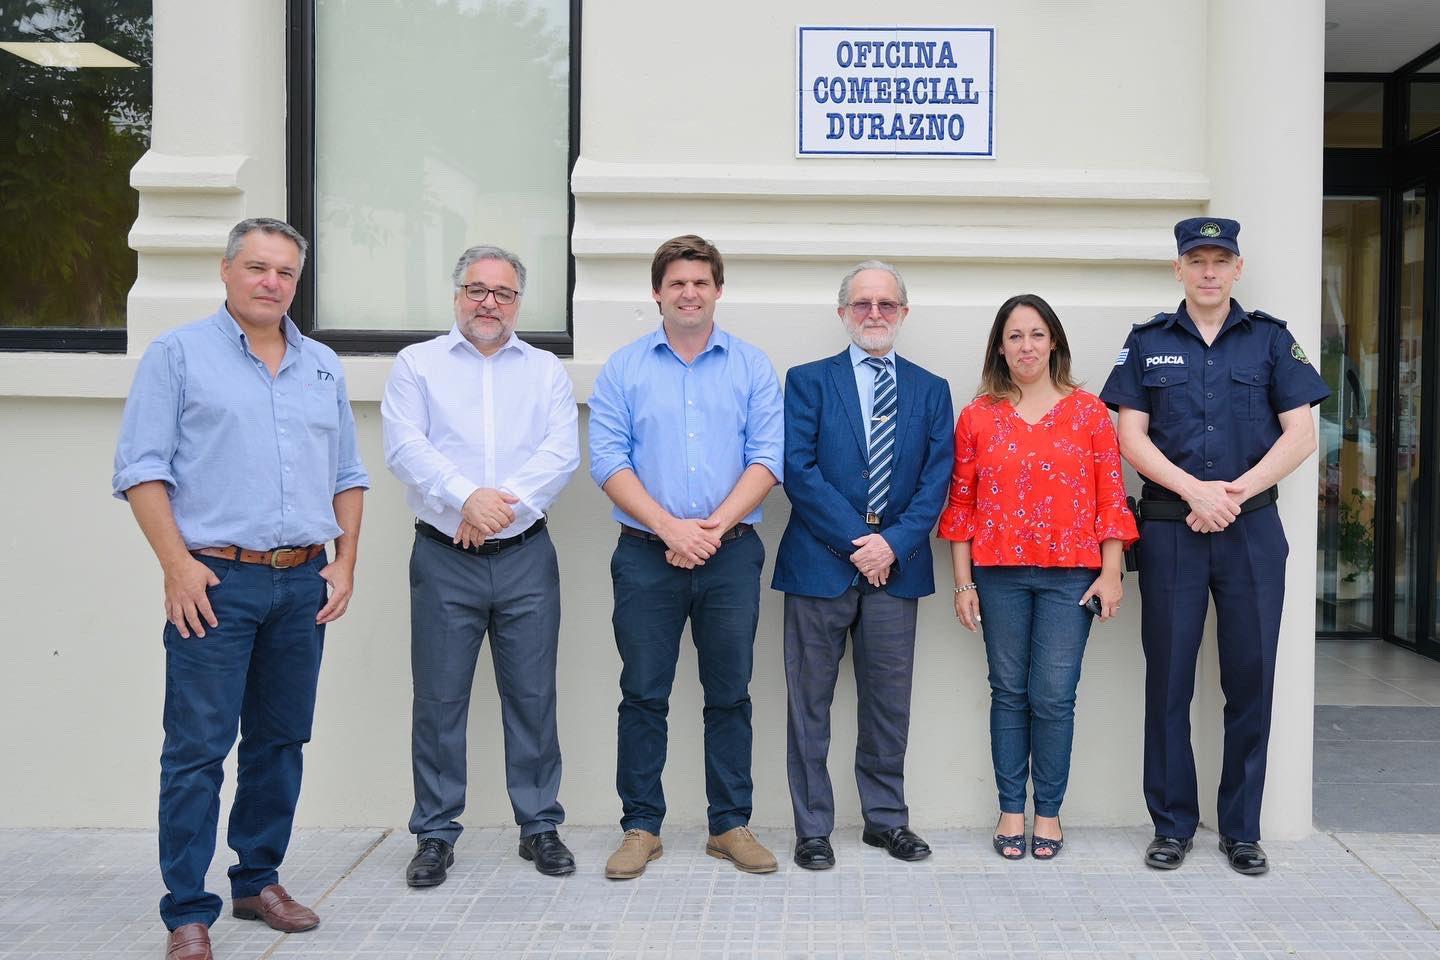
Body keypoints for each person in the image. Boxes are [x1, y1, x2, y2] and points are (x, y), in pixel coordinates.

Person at [113, 218, 368, 960]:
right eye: (257, 267)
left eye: (285, 272)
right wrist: (177, 565)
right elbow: (141, 470)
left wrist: (345, 562)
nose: (271, 282)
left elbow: (349, 475)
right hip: (214, 582)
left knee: (280, 741)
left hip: (300, 584)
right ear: (227, 272)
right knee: (197, 749)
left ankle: (257, 880)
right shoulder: (178, 355)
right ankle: (187, 910)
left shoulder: (321, 365)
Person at [1099, 218, 1329, 875]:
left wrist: (1229, 495)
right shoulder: (1148, 344)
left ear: (1237, 268)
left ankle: (1241, 829)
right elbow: (1130, 437)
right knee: (1168, 681)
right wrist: (1194, 493)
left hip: (1251, 530)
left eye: (1218, 261)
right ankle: (1171, 826)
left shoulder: (1270, 340)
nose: (1207, 271)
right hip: (1172, 529)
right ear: (1178, 268)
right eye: (1195, 260)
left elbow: (1301, 435)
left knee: (1250, 681)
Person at [382, 245, 580, 886]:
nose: (488, 302)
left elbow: (559, 454)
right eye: (476, 290)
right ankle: (435, 833)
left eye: (502, 292)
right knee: (438, 700)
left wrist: (494, 508)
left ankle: (540, 826)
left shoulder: (546, 370)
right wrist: (465, 498)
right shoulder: (417, 365)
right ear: (457, 295)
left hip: (525, 555)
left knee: (533, 695)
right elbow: (406, 446)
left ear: (519, 301)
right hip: (444, 558)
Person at [588, 234, 784, 879]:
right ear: (657, 293)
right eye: (677, 283)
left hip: (730, 555)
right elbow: (608, 460)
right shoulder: (623, 368)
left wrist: (710, 528)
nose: (689, 294)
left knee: (729, 694)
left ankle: (730, 825)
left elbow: (767, 457)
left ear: (718, 291)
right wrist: (671, 528)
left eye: (701, 283)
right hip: (646, 555)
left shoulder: (752, 367)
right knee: (643, 693)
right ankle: (641, 826)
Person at [941, 293, 1138, 862]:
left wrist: (1112, 573)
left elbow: (1110, 501)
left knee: (1053, 697)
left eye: (1035, 334)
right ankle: (1010, 809)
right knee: (1008, 693)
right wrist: (964, 583)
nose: (1026, 346)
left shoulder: (1090, 413)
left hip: (1070, 578)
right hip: (997, 575)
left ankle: (1047, 813)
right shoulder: (979, 414)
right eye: (1014, 336)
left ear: (1054, 341)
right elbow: (962, 506)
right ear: (999, 349)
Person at [771, 261, 954, 870]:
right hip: (820, 563)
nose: (874, 314)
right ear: (843, 312)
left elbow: (936, 481)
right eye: (862, 304)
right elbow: (799, 469)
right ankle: (813, 828)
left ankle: (885, 820)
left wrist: (892, 544)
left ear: (904, 313)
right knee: (809, 703)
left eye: (886, 304)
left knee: (887, 702)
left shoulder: (931, 389)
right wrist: (857, 541)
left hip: (896, 568)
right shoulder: (808, 381)